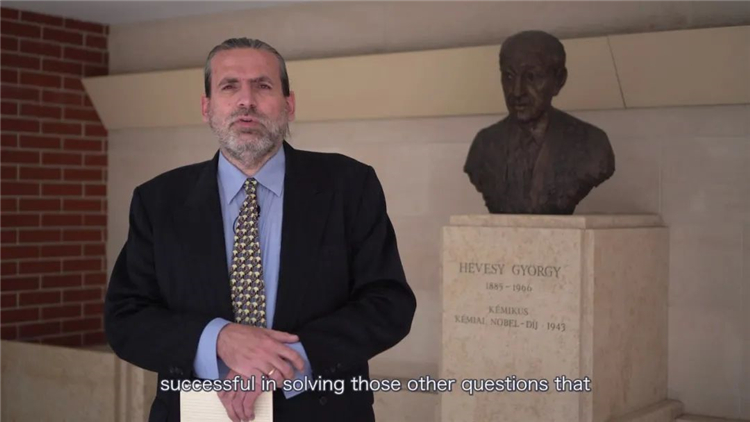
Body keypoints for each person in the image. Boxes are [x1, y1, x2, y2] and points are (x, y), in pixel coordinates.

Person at [104, 37, 417, 422]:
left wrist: (280, 362)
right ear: (206, 107)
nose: (246, 101)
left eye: (263, 86)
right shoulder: (158, 200)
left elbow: (388, 303)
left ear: (289, 104)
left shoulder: (350, 186)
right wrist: (218, 340)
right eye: (229, 86)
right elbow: (125, 318)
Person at [464, 30, 615, 215]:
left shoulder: (591, 144)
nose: (517, 91)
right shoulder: (484, 145)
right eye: (509, 77)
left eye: (532, 77)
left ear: (559, 80)